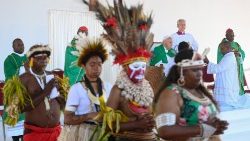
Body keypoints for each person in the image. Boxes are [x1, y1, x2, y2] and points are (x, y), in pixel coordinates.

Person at [91, 0, 156, 140]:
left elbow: (150, 117)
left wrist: (152, 122)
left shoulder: (147, 87)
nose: (141, 71)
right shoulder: (118, 90)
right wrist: (136, 124)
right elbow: (104, 124)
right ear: (125, 67)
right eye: (136, 67)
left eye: (143, 67)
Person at [154, 49, 228, 141]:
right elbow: (164, 130)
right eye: (194, 70)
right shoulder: (171, 93)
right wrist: (202, 129)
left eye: (200, 69)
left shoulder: (200, 91)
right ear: (181, 71)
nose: (200, 73)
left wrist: (215, 125)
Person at [3, 45, 67, 141]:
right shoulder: (24, 79)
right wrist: (46, 91)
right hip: (35, 134)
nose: (43, 60)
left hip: (56, 133)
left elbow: (64, 105)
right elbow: (20, 108)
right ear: (31, 60)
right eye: (39, 58)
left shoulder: (53, 76)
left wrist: (58, 96)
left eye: (45, 57)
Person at [58, 39, 112, 141]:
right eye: (92, 64)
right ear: (83, 66)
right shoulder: (76, 89)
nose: (97, 68)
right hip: (84, 134)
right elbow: (67, 119)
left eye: (99, 64)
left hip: (104, 134)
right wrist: (89, 116)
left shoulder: (108, 87)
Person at [206, 41, 250, 111]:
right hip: (228, 83)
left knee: (227, 105)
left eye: (222, 49)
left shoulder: (229, 57)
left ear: (227, 48)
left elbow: (218, 68)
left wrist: (208, 62)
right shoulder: (228, 56)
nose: (221, 51)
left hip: (228, 88)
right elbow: (220, 68)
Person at [3, 38, 27, 141]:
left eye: (22, 44)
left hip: (26, 93)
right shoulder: (9, 59)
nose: (21, 46)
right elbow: (9, 76)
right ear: (13, 47)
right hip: (14, 94)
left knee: (26, 129)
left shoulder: (27, 57)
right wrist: (23, 68)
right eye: (18, 45)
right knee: (16, 126)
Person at [217, 28, 245, 96]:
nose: (232, 37)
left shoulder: (237, 44)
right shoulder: (223, 45)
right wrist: (232, 54)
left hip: (238, 67)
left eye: (233, 35)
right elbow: (222, 56)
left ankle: (239, 95)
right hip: (229, 69)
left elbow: (242, 53)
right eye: (230, 35)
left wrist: (239, 54)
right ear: (226, 35)